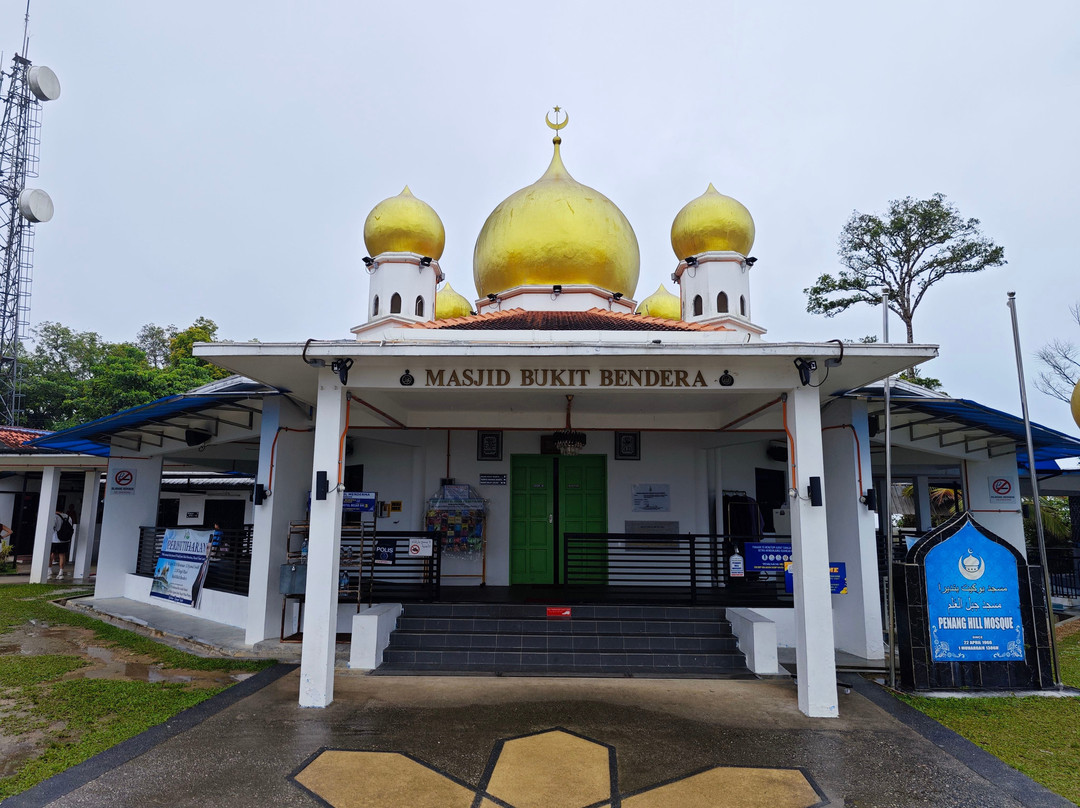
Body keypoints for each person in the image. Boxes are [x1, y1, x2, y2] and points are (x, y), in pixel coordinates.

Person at [50, 508, 74, 580]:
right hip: (65, 540)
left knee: (51, 554)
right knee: (62, 555)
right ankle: (61, 572)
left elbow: (52, 527)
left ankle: (49, 570)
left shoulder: (54, 516)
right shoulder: (68, 517)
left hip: (55, 539)